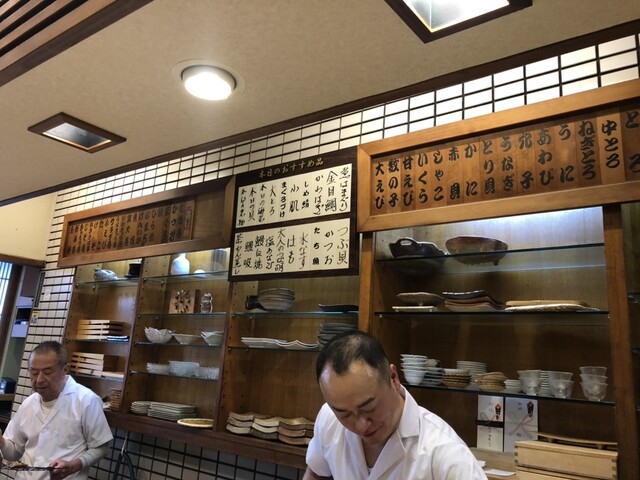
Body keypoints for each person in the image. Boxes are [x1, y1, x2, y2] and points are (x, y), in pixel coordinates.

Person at [304, 331, 487, 479]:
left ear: (393, 378)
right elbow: (316, 473)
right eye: (344, 414)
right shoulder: (329, 418)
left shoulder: (446, 454)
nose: (361, 426)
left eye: (369, 408)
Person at [0, 341, 113, 480]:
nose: (39, 379)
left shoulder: (87, 400)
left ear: (65, 370)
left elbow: (101, 447)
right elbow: (14, 452)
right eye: (34, 372)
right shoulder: (28, 404)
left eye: (47, 372)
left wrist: (73, 465)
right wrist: (2, 442)